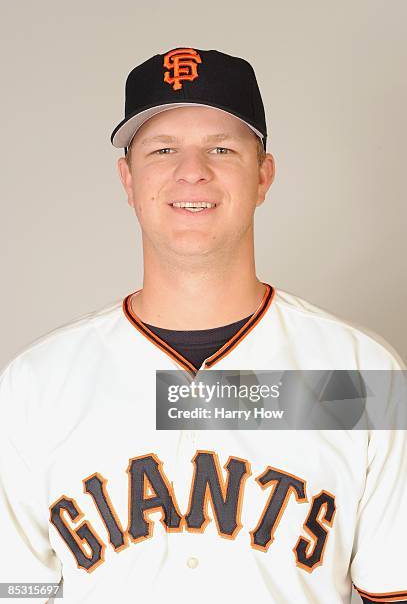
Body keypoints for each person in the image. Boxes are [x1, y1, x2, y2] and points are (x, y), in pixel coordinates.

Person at [0, 46, 406, 604]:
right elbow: (17, 591)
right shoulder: (34, 386)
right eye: (163, 150)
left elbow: (393, 590)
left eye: (222, 148)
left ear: (264, 176)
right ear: (127, 178)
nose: (193, 171)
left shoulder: (361, 377)